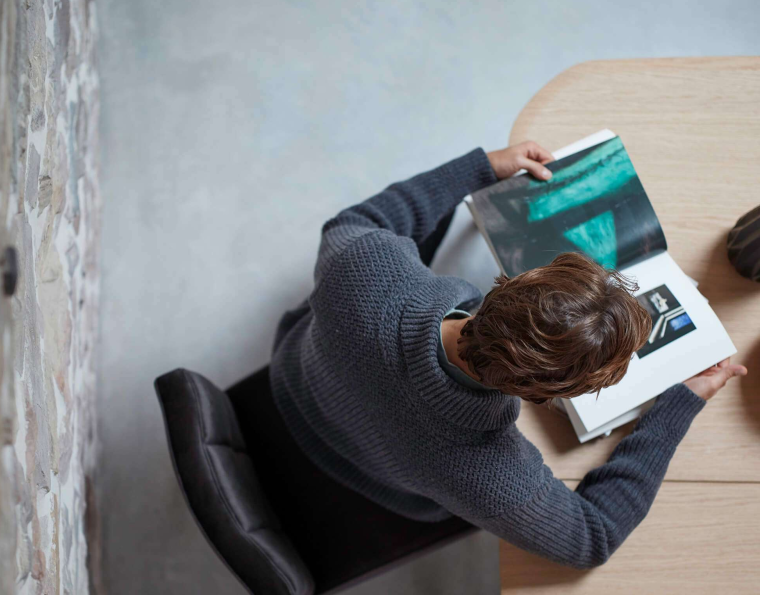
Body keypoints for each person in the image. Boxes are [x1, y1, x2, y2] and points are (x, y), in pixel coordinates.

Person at [269, 143, 747, 569]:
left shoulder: (365, 269)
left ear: (512, 282)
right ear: (547, 397)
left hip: (292, 378)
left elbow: (355, 223)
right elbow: (592, 538)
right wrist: (679, 403)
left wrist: (476, 169)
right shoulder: (488, 473)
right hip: (369, 480)